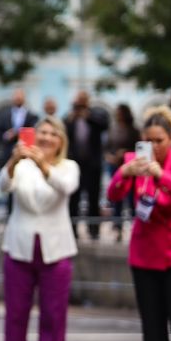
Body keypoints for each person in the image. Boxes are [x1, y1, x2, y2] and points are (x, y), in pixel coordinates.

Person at [0, 116, 79, 341]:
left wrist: (43, 165)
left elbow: (66, 188)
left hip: (56, 253)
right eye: (41, 132)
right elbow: (2, 185)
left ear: (61, 141)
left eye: (52, 134)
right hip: (18, 250)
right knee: (15, 322)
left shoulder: (69, 167)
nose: (45, 138)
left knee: (54, 324)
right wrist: (13, 161)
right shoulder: (21, 166)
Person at [107, 106, 171, 341]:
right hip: (144, 256)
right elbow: (114, 194)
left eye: (159, 141)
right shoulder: (134, 163)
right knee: (153, 330)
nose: (152, 147)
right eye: (147, 141)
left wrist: (160, 174)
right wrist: (125, 171)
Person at [64, 91, 109, 239]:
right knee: (74, 198)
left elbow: (104, 125)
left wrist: (87, 116)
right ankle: (73, 229)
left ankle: (94, 229)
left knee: (93, 197)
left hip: (92, 165)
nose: (79, 107)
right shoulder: (70, 118)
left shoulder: (95, 114)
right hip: (75, 165)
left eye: (82, 103)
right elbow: (64, 133)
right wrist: (72, 118)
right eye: (77, 104)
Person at [103, 104, 140, 241]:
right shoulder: (112, 129)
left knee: (131, 198)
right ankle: (117, 227)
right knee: (116, 198)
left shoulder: (133, 130)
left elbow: (138, 147)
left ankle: (134, 226)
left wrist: (125, 153)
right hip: (115, 166)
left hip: (131, 166)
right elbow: (106, 148)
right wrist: (111, 157)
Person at [0, 89, 39, 169]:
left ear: (24, 98)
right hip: (8, 155)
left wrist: (17, 133)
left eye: (20, 96)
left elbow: (34, 131)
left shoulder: (32, 116)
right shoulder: (4, 116)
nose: (18, 98)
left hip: (26, 154)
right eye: (16, 96)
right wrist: (6, 135)